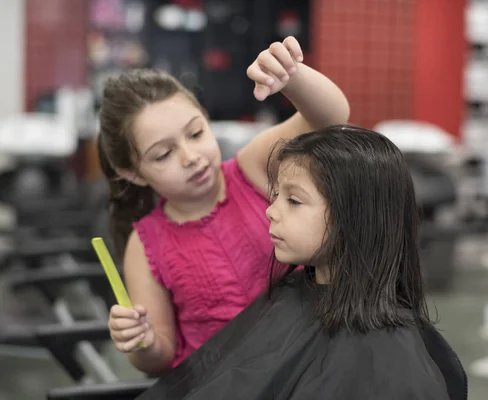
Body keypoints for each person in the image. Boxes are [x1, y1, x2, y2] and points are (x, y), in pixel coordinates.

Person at [137, 125, 467, 400]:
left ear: (355, 216)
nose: (271, 210)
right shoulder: (293, 294)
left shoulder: (388, 359)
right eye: (276, 195)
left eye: (293, 200)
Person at [97, 36, 350, 375]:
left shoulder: (254, 168)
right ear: (134, 173)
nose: (191, 157)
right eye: (163, 154)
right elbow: (159, 359)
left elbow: (331, 120)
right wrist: (142, 342)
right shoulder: (144, 247)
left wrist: (293, 77)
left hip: (310, 366)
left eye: (196, 133)